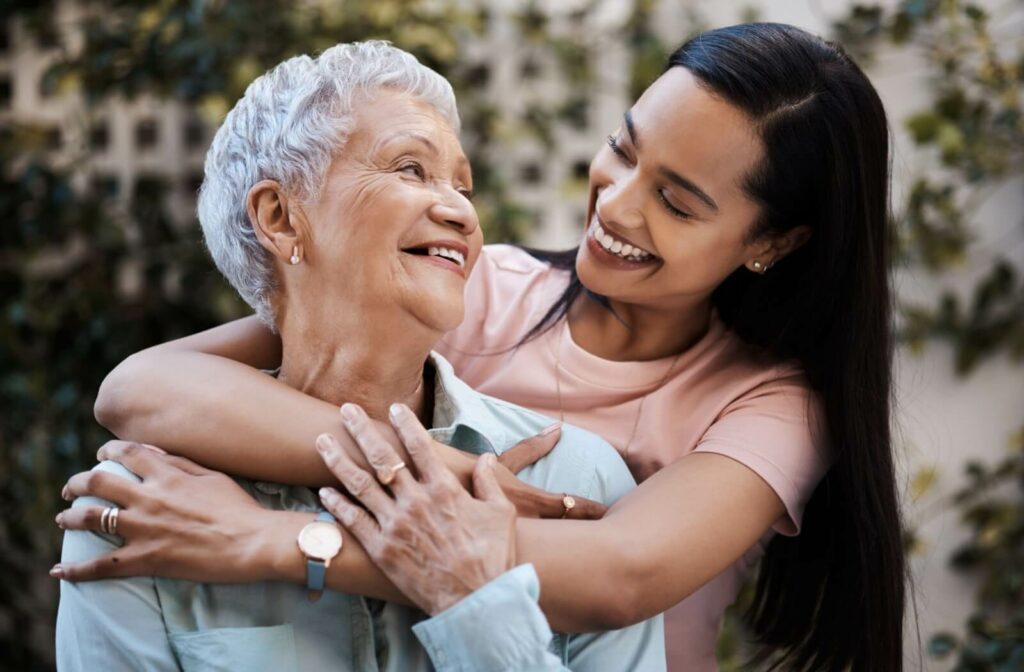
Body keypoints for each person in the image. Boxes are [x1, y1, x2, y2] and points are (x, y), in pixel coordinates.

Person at [58, 23, 907, 671]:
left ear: (773, 242)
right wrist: (452, 472)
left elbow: (616, 572)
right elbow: (147, 385)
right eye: (622, 150)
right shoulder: (479, 286)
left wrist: (280, 544)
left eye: (679, 205)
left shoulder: (764, 406)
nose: (616, 206)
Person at [53, 41, 666, 672]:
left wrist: (467, 596)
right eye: (409, 169)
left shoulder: (573, 481)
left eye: (463, 184)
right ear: (281, 217)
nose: (461, 210)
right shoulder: (142, 504)